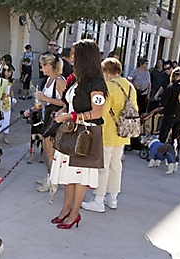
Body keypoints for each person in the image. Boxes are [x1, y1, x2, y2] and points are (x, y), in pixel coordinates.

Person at [49, 39, 108, 229]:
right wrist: (62, 112)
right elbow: (69, 102)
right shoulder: (76, 79)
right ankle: (66, 208)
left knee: (79, 176)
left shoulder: (96, 83)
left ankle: (74, 213)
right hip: (70, 132)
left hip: (86, 135)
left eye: (75, 55)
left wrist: (70, 116)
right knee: (68, 176)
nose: (72, 59)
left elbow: (96, 112)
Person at [81, 58, 138, 213]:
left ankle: (98, 199)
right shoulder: (130, 86)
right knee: (116, 166)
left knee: (103, 167)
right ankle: (112, 198)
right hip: (123, 132)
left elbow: (102, 113)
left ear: (106, 72)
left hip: (107, 132)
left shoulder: (108, 87)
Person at [23, 54, 66, 193]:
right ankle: (50, 176)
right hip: (46, 117)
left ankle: (52, 181)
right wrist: (32, 109)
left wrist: (45, 98)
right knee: (48, 151)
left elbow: (66, 103)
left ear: (49, 66)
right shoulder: (48, 80)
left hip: (55, 118)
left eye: (42, 66)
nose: (41, 69)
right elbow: (45, 102)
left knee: (50, 151)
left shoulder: (59, 81)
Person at [158, 67, 180, 160]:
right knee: (176, 136)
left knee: (164, 134)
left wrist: (162, 107)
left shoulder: (172, 86)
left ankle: (160, 154)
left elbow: (164, 101)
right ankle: (175, 153)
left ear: (174, 76)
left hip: (171, 114)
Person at [0, 63, 16, 145]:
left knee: (7, 119)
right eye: (7, 71)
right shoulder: (0, 80)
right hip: (0, 100)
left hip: (7, 100)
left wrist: (13, 100)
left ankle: (5, 136)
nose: (9, 73)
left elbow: (11, 91)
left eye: (10, 72)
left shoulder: (11, 81)